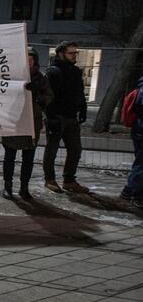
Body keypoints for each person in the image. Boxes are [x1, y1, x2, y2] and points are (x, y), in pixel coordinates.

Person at [1, 47, 53, 200]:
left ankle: (24, 188)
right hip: (13, 121)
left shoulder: (41, 78)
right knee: (9, 156)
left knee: (28, 158)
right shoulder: (12, 76)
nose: (28, 62)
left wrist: (38, 97)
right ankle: (8, 186)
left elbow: (49, 96)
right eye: (25, 59)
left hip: (32, 123)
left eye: (31, 59)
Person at [42, 41, 89, 194]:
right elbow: (48, 96)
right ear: (61, 53)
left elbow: (80, 92)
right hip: (57, 117)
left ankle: (69, 180)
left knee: (75, 149)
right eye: (71, 53)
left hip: (71, 117)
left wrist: (82, 109)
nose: (75, 55)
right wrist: (51, 115)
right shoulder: (53, 71)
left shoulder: (75, 72)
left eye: (76, 52)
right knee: (52, 150)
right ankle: (49, 179)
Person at [120, 75, 143, 209]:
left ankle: (129, 191)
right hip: (141, 130)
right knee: (140, 164)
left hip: (139, 130)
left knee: (140, 163)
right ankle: (134, 194)